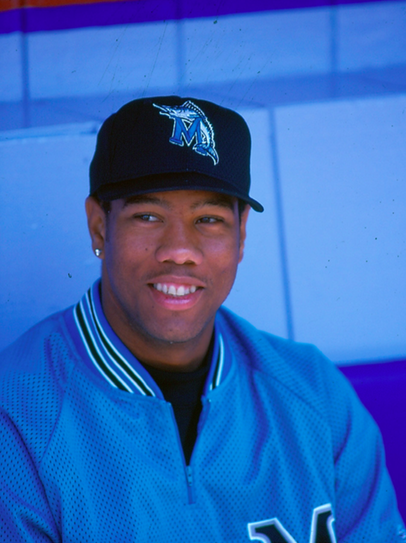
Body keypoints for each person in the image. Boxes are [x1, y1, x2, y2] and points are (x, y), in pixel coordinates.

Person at [0, 96, 404, 543]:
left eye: (208, 219)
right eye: (147, 216)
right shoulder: (18, 412)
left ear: (241, 233)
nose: (180, 249)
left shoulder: (315, 394)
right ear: (100, 226)